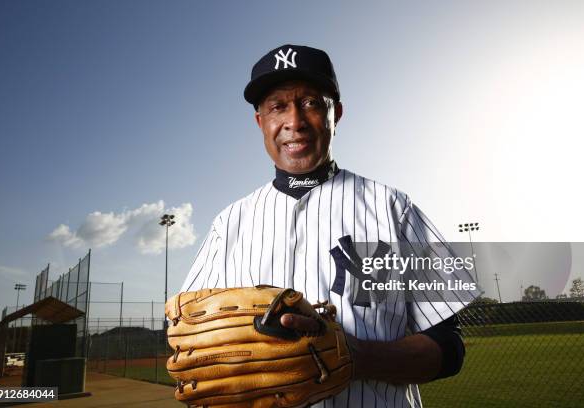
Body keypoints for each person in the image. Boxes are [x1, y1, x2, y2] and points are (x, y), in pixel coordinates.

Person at [180, 44, 479, 408]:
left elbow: (449, 349)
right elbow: (191, 341)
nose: (295, 122)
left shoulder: (392, 207)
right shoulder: (228, 224)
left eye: (310, 103)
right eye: (277, 106)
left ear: (335, 113)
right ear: (261, 122)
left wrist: (357, 357)